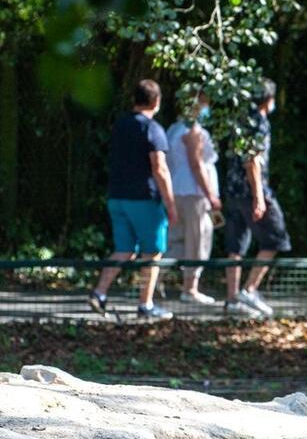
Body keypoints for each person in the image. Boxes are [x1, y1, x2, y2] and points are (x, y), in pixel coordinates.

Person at [88, 79, 178, 320]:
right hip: (144, 200)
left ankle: (99, 293)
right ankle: (145, 305)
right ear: (156, 102)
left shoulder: (119, 126)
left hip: (117, 196)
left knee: (124, 249)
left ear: (133, 99)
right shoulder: (152, 129)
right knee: (152, 253)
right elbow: (159, 168)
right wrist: (170, 203)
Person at [223, 78, 291, 318]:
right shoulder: (259, 123)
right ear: (268, 100)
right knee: (275, 238)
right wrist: (259, 197)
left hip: (232, 191)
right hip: (251, 191)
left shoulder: (238, 121)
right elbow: (253, 161)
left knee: (236, 245)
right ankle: (249, 289)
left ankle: (232, 299)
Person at [165, 89, 222, 304]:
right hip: (194, 193)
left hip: (176, 190)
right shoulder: (193, 131)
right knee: (197, 239)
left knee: (176, 239)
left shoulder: (173, 128)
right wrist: (211, 195)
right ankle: (190, 289)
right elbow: (197, 165)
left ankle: (150, 281)